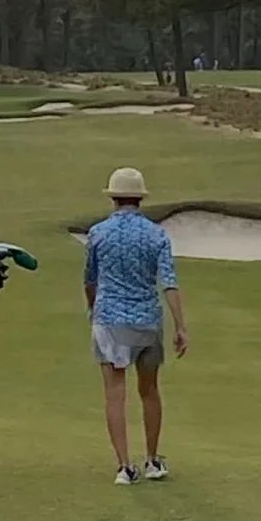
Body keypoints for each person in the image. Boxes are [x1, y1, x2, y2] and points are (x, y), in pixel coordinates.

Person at [83, 167, 188, 486]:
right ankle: (153, 460)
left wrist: (93, 307)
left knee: (115, 393)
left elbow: (90, 279)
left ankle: (124, 466)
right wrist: (180, 326)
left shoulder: (99, 232)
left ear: (113, 198)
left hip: (110, 320)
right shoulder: (156, 234)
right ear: (139, 198)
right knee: (149, 390)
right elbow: (168, 282)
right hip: (147, 320)